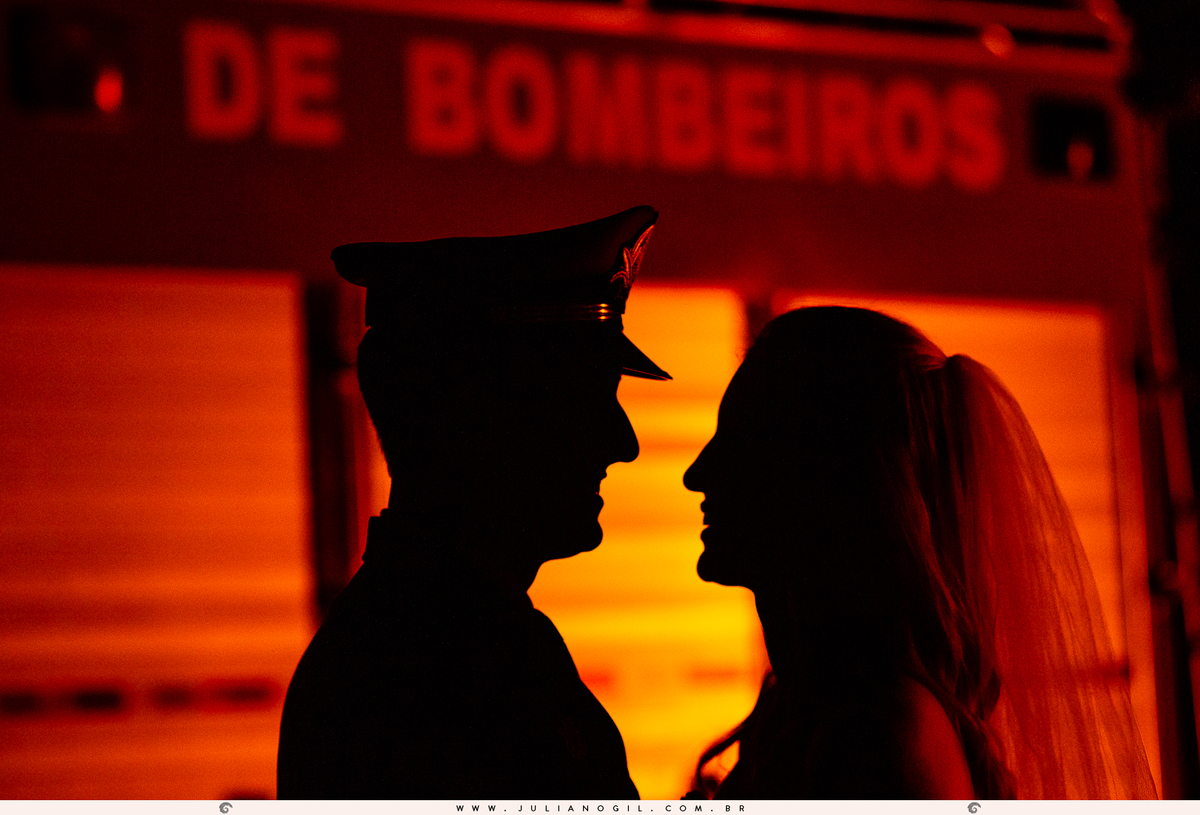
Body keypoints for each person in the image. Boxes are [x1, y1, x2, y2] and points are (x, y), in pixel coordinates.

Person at [683, 306, 1157, 799]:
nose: (696, 474)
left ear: (827, 475)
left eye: (739, 443)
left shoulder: (877, 738)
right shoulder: (810, 710)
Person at [277, 206, 669, 799]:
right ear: (478, 420)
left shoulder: (458, 642)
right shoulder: (433, 673)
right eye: (585, 401)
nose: (623, 442)